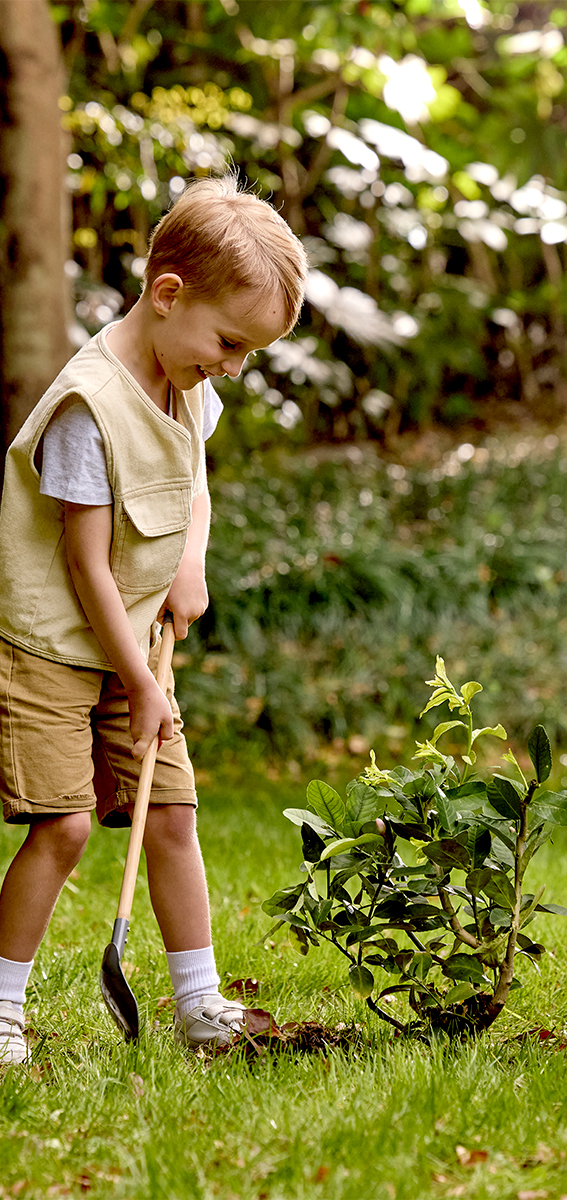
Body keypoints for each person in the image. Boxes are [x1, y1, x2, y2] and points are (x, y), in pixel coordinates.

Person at [0, 174, 308, 1063]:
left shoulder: (188, 376)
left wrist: (189, 559)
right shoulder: (87, 408)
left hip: (132, 636)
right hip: (49, 647)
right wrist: (136, 683)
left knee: (169, 814)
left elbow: (191, 469)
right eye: (230, 341)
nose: (234, 366)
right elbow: (82, 564)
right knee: (59, 827)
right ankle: (4, 1007)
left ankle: (199, 1001)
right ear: (167, 295)